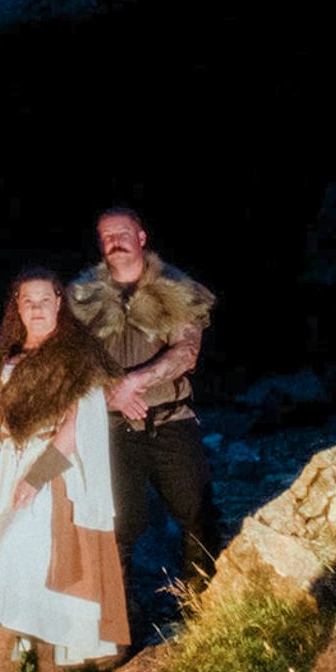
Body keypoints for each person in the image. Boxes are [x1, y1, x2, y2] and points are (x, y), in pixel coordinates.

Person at [0, 270, 126, 672]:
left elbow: (75, 430)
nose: (35, 308)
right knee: (32, 566)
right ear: (16, 306)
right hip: (6, 468)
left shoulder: (76, 356)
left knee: (17, 551)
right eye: (26, 301)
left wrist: (36, 477)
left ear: (58, 303)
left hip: (52, 474)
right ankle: (50, 670)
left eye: (44, 300)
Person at [67, 208, 220, 596]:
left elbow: (187, 352)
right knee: (117, 523)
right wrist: (109, 396)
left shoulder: (177, 289)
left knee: (197, 512)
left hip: (170, 419)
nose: (115, 242)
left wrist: (133, 382)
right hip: (111, 426)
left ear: (141, 237)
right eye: (106, 236)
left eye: (122, 234)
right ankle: (117, 632)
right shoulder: (81, 297)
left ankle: (203, 609)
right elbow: (68, 365)